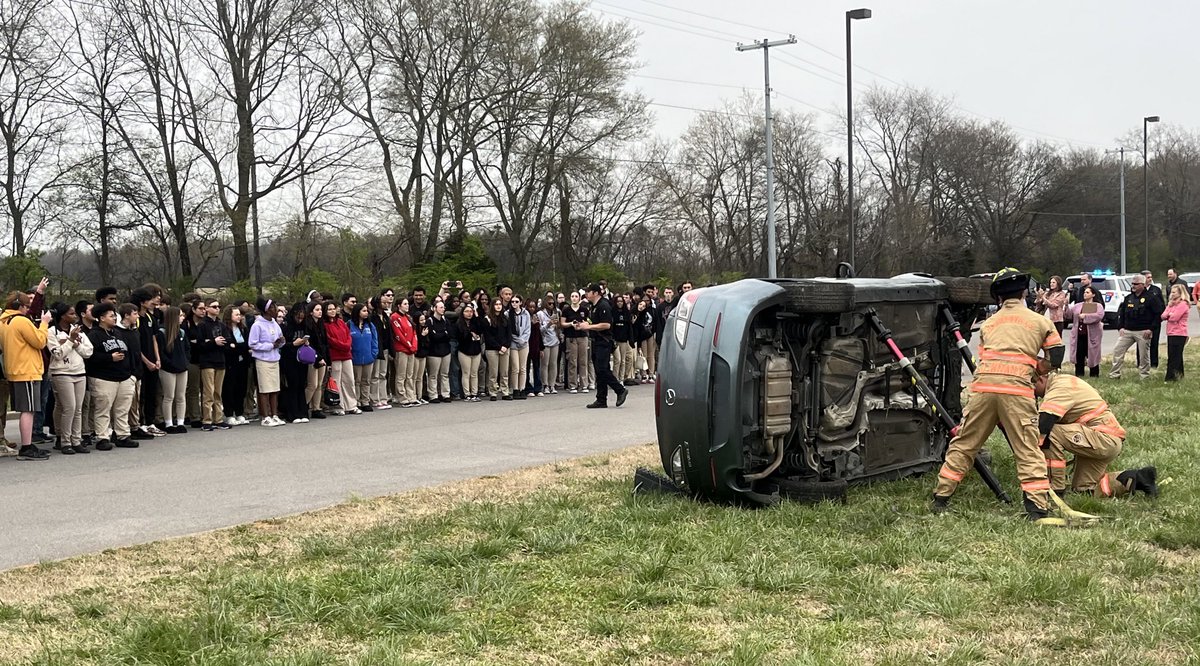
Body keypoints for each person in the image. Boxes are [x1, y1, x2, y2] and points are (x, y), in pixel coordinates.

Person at [932, 268, 1064, 521]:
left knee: (964, 444)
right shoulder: (1040, 321)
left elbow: (986, 356)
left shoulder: (989, 323)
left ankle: (941, 497)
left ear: (998, 298)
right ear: (1024, 292)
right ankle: (1037, 509)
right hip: (1016, 391)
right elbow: (1055, 356)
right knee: (1027, 448)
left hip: (982, 389)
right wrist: (1037, 368)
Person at [1035, 367, 1157, 498]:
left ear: (1041, 378)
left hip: (1101, 438)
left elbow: (1043, 424)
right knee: (1083, 491)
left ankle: (1055, 489)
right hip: (1102, 440)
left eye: (1030, 387)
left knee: (1048, 434)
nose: (1031, 394)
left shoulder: (1059, 388)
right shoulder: (1064, 382)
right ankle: (1138, 477)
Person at [84, 302, 138, 450]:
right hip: (103, 377)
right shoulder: (93, 335)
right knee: (103, 409)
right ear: (101, 318)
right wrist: (109, 358)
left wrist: (132, 374)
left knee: (122, 409)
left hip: (124, 376)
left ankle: (122, 435)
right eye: (111, 316)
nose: (115, 318)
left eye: (115, 315)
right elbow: (89, 356)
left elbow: (130, 353)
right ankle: (102, 437)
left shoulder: (118, 333)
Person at [45, 302, 93, 455]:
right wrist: (70, 341)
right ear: (62, 316)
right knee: (69, 407)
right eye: (71, 314)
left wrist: (75, 343)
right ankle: (65, 441)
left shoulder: (77, 330)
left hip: (79, 371)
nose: (75, 316)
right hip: (61, 373)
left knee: (78, 408)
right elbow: (57, 354)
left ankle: (76, 440)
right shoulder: (51, 332)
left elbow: (88, 351)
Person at [576, 283, 628, 409]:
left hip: (604, 341)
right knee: (599, 370)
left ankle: (620, 390)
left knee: (603, 369)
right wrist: (583, 325)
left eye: (588, 292)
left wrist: (589, 327)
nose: (587, 294)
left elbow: (606, 325)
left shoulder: (604, 305)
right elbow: (594, 322)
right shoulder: (593, 307)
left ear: (595, 293)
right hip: (596, 340)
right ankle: (601, 399)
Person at [1110, 274, 1156, 380]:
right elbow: (1122, 314)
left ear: (1143, 285)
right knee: (1118, 350)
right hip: (1127, 331)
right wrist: (1120, 327)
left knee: (1143, 355)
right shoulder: (1128, 298)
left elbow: (1157, 315)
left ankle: (1144, 376)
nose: (1133, 286)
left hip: (1143, 331)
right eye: (1132, 283)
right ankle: (1114, 374)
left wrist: (1151, 329)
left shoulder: (1150, 298)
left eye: (1136, 284)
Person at [248, 300, 286, 426]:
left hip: (275, 359)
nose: (276, 310)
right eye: (273, 307)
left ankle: (274, 414)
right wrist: (270, 345)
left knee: (275, 389)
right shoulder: (257, 325)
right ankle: (265, 416)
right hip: (263, 360)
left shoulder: (275, 323)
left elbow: (280, 338)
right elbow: (252, 344)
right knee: (265, 389)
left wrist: (281, 341)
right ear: (266, 310)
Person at [196, 299, 230, 431]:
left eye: (219, 306)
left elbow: (228, 340)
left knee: (218, 392)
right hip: (207, 362)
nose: (217, 309)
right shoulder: (202, 325)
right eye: (214, 306)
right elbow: (200, 345)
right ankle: (207, 420)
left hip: (220, 361)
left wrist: (222, 342)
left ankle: (218, 419)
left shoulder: (222, 325)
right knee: (208, 392)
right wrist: (212, 342)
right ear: (207, 309)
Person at [158, 306, 190, 434]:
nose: (183, 317)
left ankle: (181, 422)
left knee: (181, 396)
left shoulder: (181, 332)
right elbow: (161, 353)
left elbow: (187, 349)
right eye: (180, 315)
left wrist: (185, 361)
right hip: (168, 369)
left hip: (182, 368)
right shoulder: (162, 332)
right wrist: (170, 364)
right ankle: (169, 422)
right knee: (169, 396)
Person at [323, 300, 357, 415]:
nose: (332, 311)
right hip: (335, 355)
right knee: (336, 381)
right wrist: (343, 345)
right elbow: (330, 340)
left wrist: (347, 345)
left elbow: (348, 335)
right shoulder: (325, 324)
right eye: (329, 309)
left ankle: (351, 405)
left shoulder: (341, 322)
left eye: (333, 308)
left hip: (346, 354)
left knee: (349, 380)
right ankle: (337, 405)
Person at [279, 302, 311, 424]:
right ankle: (292, 413)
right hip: (289, 359)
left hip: (302, 359)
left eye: (302, 317)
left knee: (301, 385)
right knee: (292, 385)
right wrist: (293, 344)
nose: (300, 320)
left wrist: (306, 343)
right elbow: (280, 344)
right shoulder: (286, 326)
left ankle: (302, 411)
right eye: (298, 317)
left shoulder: (305, 326)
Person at [220, 304, 252, 425]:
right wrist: (237, 347)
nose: (239, 317)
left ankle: (239, 412)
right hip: (230, 363)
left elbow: (246, 345)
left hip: (243, 362)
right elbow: (228, 346)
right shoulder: (225, 328)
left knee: (241, 388)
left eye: (240, 314)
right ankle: (229, 414)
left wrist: (236, 347)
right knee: (229, 388)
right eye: (236, 314)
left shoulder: (243, 329)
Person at [1064, 285, 1104, 377]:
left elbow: (1099, 316)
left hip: (1092, 335)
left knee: (1092, 354)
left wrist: (1085, 316)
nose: (1085, 294)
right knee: (1079, 355)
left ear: (1093, 294)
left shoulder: (1097, 305)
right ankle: (1079, 374)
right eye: (1084, 292)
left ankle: (1094, 374)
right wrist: (1066, 305)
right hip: (1079, 334)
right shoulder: (1078, 305)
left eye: (1087, 292)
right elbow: (1068, 315)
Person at [348, 302, 380, 412]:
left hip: (368, 357)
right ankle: (356, 401)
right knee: (356, 380)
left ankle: (365, 400)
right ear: (357, 312)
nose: (366, 313)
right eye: (364, 311)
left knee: (366, 380)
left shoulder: (370, 325)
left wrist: (374, 353)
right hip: (355, 357)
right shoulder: (349, 324)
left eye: (367, 311)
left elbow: (375, 340)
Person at [303, 301, 329, 419]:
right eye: (317, 310)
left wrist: (325, 358)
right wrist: (317, 357)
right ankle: (304, 406)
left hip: (322, 357)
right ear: (311, 311)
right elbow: (310, 344)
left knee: (319, 384)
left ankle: (316, 408)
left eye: (320, 310)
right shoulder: (308, 325)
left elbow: (324, 343)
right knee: (312, 384)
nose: (320, 312)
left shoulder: (321, 324)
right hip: (312, 358)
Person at [390, 298, 418, 407]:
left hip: (411, 350)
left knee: (410, 374)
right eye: (405, 304)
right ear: (399, 305)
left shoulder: (408, 317)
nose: (407, 306)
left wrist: (414, 345)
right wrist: (408, 345)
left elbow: (414, 332)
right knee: (401, 375)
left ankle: (411, 395)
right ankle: (402, 397)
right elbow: (399, 334)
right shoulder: (394, 317)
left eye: (407, 304)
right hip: (402, 349)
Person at [482, 298, 511, 401]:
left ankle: (505, 392)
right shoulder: (487, 319)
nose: (498, 306)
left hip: (505, 348)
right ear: (492, 306)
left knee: (504, 372)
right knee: (493, 372)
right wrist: (499, 347)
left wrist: (506, 346)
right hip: (492, 349)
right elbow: (488, 337)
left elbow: (509, 334)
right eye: (496, 304)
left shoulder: (505, 319)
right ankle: (493, 392)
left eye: (500, 304)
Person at [455, 303, 485, 401]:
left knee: (474, 373)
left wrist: (476, 316)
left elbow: (481, 329)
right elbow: (460, 337)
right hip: (464, 351)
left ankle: (474, 393)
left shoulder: (475, 322)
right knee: (466, 372)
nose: (469, 313)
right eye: (467, 311)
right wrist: (470, 334)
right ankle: (467, 393)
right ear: (462, 313)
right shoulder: (459, 323)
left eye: (471, 311)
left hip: (476, 350)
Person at [370, 290, 394, 408]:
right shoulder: (372, 317)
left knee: (383, 374)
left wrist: (391, 349)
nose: (386, 304)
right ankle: (375, 398)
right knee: (375, 374)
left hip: (385, 348)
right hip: (377, 349)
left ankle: (383, 397)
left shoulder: (385, 316)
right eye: (383, 303)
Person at [561, 291, 589, 393]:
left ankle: (584, 384)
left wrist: (583, 324)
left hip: (582, 337)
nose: (574, 298)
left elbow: (589, 322)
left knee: (583, 361)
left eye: (576, 296)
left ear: (579, 298)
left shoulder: (584, 310)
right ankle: (572, 384)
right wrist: (571, 324)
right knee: (572, 361)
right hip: (571, 337)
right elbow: (562, 323)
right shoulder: (566, 310)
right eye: (572, 296)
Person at [425, 301, 453, 403]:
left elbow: (450, 334)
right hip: (433, 352)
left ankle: (445, 394)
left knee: (445, 374)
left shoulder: (446, 321)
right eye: (440, 307)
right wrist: (443, 334)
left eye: (443, 307)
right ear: (434, 308)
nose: (443, 309)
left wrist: (441, 334)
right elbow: (433, 337)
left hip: (446, 351)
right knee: (433, 374)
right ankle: (433, 395)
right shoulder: (430, 321)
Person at [1162, 283, 1190, 381]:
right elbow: (1163, 315)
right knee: (1172, 354)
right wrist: (1169, 313)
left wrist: (1169, 315)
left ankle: (1170, 377)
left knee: (1175, 356)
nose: (1172, 294)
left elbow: (1175, 317)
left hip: (1179, 333)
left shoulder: (1183, 304)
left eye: (1174, 292)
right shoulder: (1171, 303)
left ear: (1180, 293)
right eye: (1171, 292)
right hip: (1171, 332)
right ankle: (1179, 374)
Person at [1141, 270, 1166, 368]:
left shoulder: (1156, 290)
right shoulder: (1140, 290)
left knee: (1154, 343)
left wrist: (1160, 317)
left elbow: (1162, 304)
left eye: (1151, 277)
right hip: (1143, 322)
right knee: (1142, 344)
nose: (1150, 279)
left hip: (1155, 321)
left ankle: (1154, 364)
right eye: (1148, 277)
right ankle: (1141, 363)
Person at [507, 294, 531, 400]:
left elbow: (528, 328)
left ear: (520, 302)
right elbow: (509, 331)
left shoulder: (526, 313)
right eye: (512, 302)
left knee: (523, 368)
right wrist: (517, 339)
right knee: (515, 368)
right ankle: (515, 389)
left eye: (517, 302)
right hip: (513, 343)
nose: (514, 304)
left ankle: (522, 388)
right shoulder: (507, 314)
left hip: (524, 343)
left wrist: (524, 340)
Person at [536, 298, 560, 396]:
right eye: (549, 303)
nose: (551, 305)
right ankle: (545, 384)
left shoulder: (556, 312)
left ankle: (552, 384)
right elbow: (540, 330)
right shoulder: (540, 314)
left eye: (553, 303)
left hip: (555, 340)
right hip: (545, 341)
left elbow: (559, 328)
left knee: (553, 363)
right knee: (544, 364)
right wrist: (549, 323)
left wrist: (557, 325)